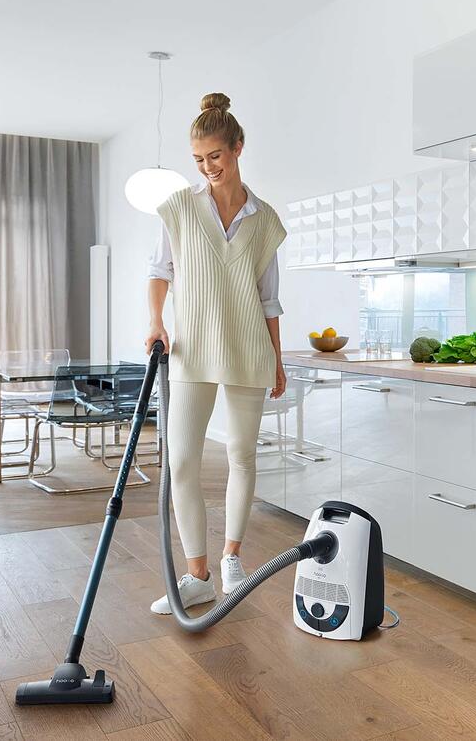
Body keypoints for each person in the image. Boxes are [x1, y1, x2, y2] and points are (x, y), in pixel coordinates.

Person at [144, 92, 287, 614]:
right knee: (180, 462)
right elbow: (160, 271)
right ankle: (196, 575)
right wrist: (156, 322)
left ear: (238, 148)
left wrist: (278, 357)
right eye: (199, 160)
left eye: (216, 157)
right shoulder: (180, 208)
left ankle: (231, 558)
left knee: (241, 456)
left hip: (248, 346)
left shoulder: (265, 220)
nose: (207, 168)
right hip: (192, 348)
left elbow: (269, 297)